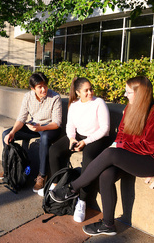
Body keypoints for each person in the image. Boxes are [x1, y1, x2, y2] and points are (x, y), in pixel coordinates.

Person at [50, 76, 154, 237]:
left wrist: (119, 146)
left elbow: (150, 147)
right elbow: (121, 134)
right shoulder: (130, 108)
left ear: (140, 94)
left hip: (149, 161)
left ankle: (72, 188)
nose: (125, 95)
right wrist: (118, 144)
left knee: (111, 152)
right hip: (129, 156)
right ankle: (108, 224)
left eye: (128, 92)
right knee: (106, 174)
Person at [45, 77, 111, 223]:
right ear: (78, 92)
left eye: (91, 89)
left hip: (97, 137)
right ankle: (57, 186)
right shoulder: (74, 105)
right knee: (55, 150)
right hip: (79, 136)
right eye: (86, 90)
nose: (90, 92)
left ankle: (82, 200)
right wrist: (72, 139)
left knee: (88, 157)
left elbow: (105, 129)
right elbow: (70, 125)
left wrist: (85, 142)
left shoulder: (99, 103)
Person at [0, 72, 62, 194]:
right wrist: (13, 132)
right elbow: (21, 118)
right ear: (33, 88)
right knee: (6, 134)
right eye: (40, 87)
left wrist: (41, 128)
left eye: (45, 85)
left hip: (49, 128)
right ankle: (8, 170)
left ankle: (42, 176)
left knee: (45, 138)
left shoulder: (55, 97)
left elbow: (57, 123)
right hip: (33, 126)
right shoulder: (28, 97)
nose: (43, 89)